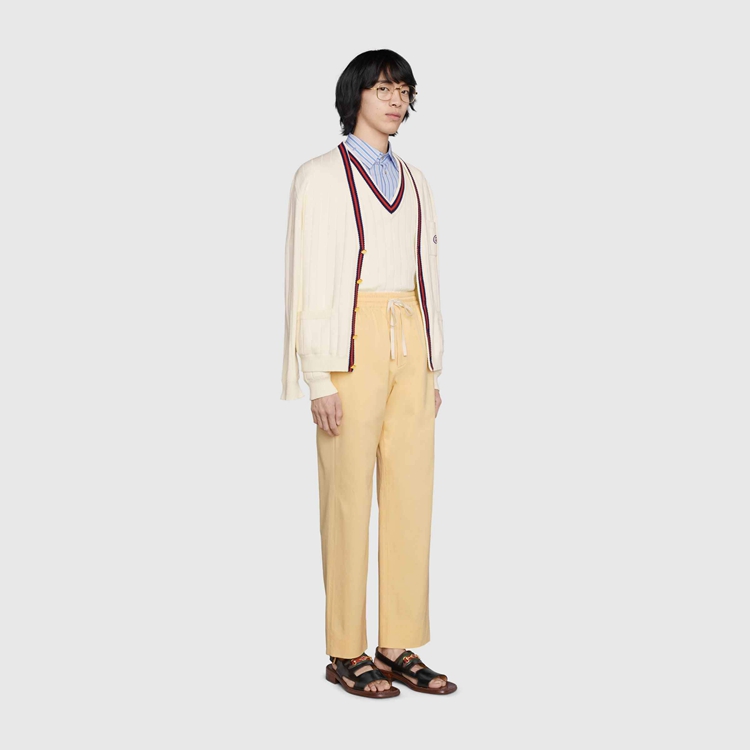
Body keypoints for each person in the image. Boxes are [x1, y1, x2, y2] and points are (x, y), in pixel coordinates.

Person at [280, 49, 456, 698]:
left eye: (403, 89)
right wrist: (318, 377)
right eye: (383, 88)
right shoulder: (319, 176)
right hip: (348, 344)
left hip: (410, 344)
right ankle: (345, 649)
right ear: (355, 94)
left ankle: (396, 643)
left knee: (411, 495)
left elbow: (426, 271)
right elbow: (305, 277)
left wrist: (432, 363)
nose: (395, 99)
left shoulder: (416, 179)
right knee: (347, 499)